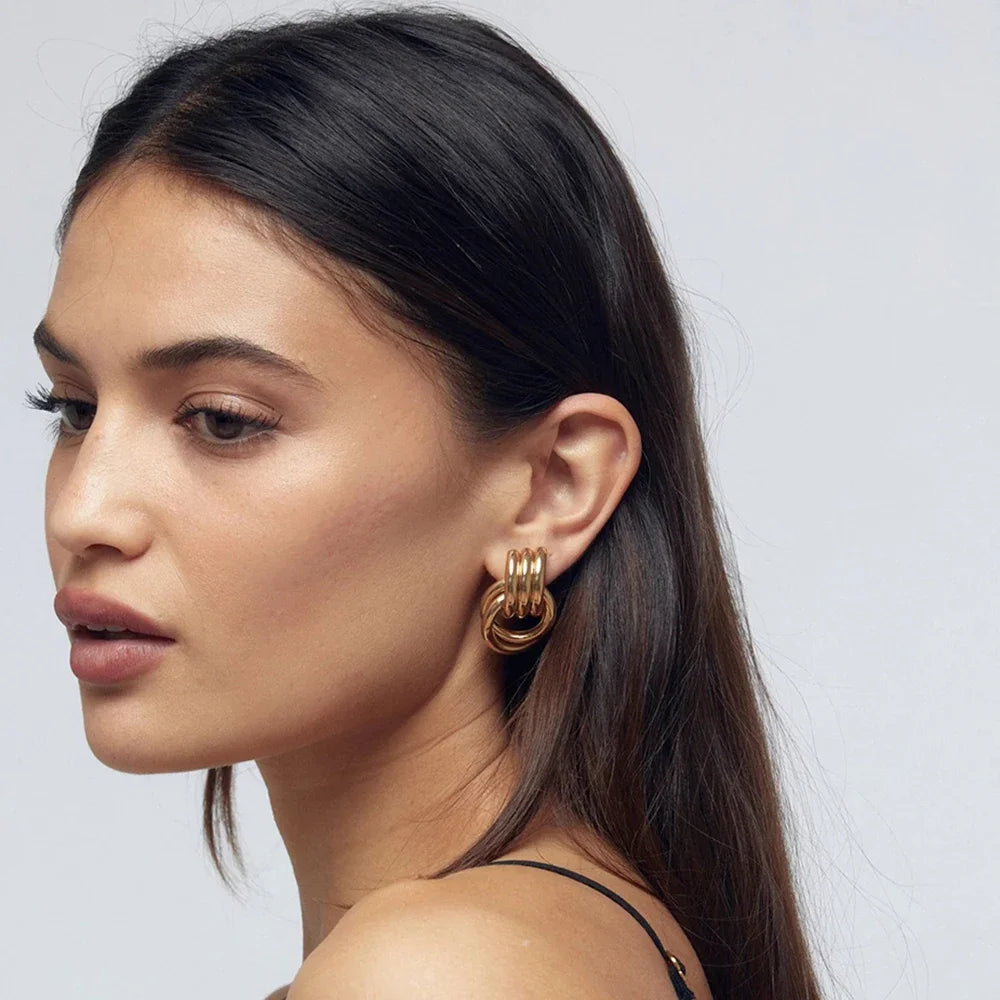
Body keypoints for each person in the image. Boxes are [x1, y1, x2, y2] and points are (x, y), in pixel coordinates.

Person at [27, 7, 825, 999]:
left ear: (551, 488)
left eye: (223, 420)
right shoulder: (562, 936)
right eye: (72, 407)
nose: (84, 511)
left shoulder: (439, 970)